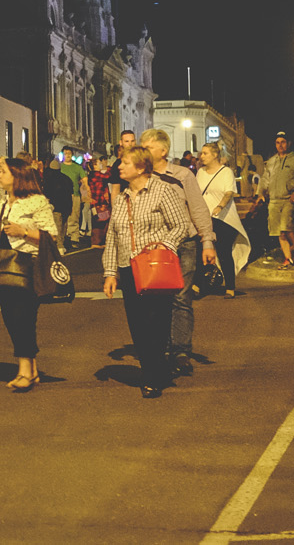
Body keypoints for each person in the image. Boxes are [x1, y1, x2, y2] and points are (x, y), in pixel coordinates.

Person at [103, 146, 193, 398]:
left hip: (154, 266)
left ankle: (153, 376)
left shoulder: (163, 190)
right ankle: (153, 369)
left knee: (156, 322)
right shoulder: (121, 198)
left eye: (125, 163)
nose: (119, 167)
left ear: (141, 167)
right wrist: (110, 273)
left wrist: (164, 245)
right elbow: (112, 236)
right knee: (138, 325)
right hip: (128, 267)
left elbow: (180, 225)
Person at [140, 128, 217, 377]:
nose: (144, 150)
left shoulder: (182, 174)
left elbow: (198, 208)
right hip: (152, 247)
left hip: (183, 244)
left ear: (163, 151)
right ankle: (160, 348)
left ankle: (180, 351)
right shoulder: (140, 176)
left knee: (181, 298)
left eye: (148, 146)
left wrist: (207, 241)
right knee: (154, 300)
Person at [0, 158, 59, 390]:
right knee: (10, 320)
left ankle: (25, 370)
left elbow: (51, 235)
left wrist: (23, 231)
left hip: (27, 265)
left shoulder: (37, 201)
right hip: (2, 265)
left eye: (2, 172)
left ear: (18, 176)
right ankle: (30, 371)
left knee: (23, 319)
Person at [196, 142, 252, 297]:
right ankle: (197, 285)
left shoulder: (226, 172)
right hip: (204, 218)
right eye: (202, 153)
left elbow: (229, 193)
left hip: (224, 219)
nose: (202, 156)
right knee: (200, 250)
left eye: (205, 153)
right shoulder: (200, 172)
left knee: (223, 251)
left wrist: (220, 206)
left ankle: (230, 287)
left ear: (215, 155)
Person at [258, 132, 294, 268]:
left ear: (289, 143)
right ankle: (288, 258)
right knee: (278, 231)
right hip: (274, 201)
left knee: (287, 227)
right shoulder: (271, 161)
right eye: (277, 142)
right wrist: (260, 194)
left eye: (283, 142)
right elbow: (264, 179)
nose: (280, 145)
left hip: (289, 200)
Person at [58, 146, 85, 248]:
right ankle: (63, 237)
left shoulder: (77, 167)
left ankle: (74, 238)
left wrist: (86, 192)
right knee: (62, 217)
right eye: (65, 153)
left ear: (72, 155)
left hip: (75, 195)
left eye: (69, 153)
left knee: (74, 216)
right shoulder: (60, 167)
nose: (67, 155)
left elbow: (84, 180)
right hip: (62, 196)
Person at [87, 156, 114, 247]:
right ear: (94, 165)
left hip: (95, 202)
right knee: (102, 222)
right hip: (99, 202)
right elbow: (107, 176)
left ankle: (97, 241)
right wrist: (111, 168)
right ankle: (98, 241)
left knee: (98, 221)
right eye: (99, 163)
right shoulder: (97, 174)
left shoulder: (91, 175)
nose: (101, 164)